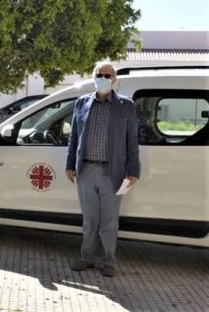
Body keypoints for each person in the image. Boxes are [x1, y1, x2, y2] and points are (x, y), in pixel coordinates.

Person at [65, 62, 140, 277]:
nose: (104, 77)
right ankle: (86, 257)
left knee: (109, 220)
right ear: (94, 76)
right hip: (86, 169)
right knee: (89, 219)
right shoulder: (82, 103)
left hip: (114, 172)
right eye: (100, 74)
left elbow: (132, 140)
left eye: (108, 75)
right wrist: (70, 164)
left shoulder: (126, 105)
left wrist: (133, 170)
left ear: (114, 79)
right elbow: (74, 137)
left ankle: (108, 261)